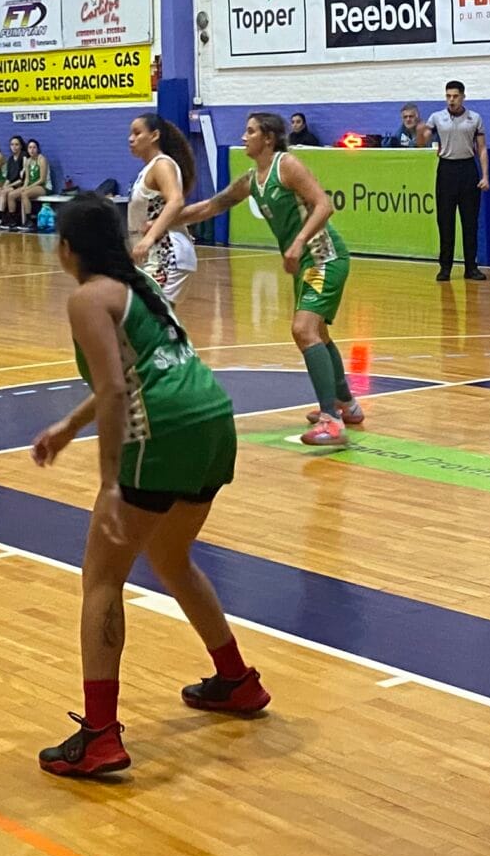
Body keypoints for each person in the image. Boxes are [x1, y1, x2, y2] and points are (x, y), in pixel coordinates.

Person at [30, 193, 260, 778]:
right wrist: (69, 426)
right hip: (213, 419)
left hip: (162, 431)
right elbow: (139, 370)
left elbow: (114, 389)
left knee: (102, 577)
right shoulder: (142, 288)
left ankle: (100, 735)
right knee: (171, 556)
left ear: (67, 248)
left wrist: (111, 481)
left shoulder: (87, 298)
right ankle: (235, 678)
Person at [178, 112, 359, 445]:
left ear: (268, 138)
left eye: (250, 131)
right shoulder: (251, 179)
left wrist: (299, 242)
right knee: (318, 332)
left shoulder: (286, 165)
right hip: (305, 262)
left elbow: (324, 205)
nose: (243, 137)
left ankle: (331, 422)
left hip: (324, 257)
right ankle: (346, 404)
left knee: (303, 330)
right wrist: (166, 221)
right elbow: (211, 206)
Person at [125, 112, 199, 304]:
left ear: (154, 135)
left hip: (167, 253)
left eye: (137, 133)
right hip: (154, 256)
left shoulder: (162, 164)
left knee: (148, 315)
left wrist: (149, 238)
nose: (131, 139)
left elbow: (176, 201)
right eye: (130, 134)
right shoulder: (148, 169)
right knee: (155, 318)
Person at [428, 80, 490, 282]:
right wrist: (420, 131)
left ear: (463, 97)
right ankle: (445, 268)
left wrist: (485, 176)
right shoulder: (436, 118)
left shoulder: (475, 118)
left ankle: (471, 267)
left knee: (470, 222)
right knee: (445, 221)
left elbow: (481, 148)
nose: (451, 100)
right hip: (446, 170)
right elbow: (422, 139)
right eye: (448, 96)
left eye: (455, 96)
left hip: (467, 169)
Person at [0, 137, 53, 229]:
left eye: (34, 147)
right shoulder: (28, 161)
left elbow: (42, 179)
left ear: (38, 149)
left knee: (25, 194)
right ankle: (13, 220)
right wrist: (24, 186)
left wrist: (27, 188)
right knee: (11, 195)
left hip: (44, 186)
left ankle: (29, 221)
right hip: (32, 185)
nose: (32, 150)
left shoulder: (41, 159)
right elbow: (26, 179)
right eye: (30, 148)